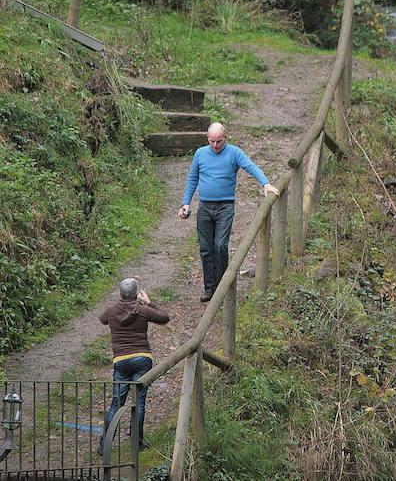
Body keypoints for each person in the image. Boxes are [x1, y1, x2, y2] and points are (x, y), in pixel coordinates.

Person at [179, 122, 279, 302]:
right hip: (205, 207)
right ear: (207, 138)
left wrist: (265, 183)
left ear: (226, 138)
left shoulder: (234, 152)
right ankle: (210, 288)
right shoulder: (200, 153)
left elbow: (250, 166)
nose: (215, 145)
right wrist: (185, 203)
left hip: (225, 206)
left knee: (220, 245)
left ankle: (222, 286)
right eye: (212, 141)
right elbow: (192, 178)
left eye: (219, 141)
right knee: (205, 249)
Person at [98, 279, 169, 454]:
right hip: (142, 359)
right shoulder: (143, 310)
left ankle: (104, 445)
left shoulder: (112, 311)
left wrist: (119, 304)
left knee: (116, 403)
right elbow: (164, 317)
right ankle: (136, 443)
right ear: (137, 294)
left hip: (120, 361)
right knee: (139, 403)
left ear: (120, 294)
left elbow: (102, 319)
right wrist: (149, 302)